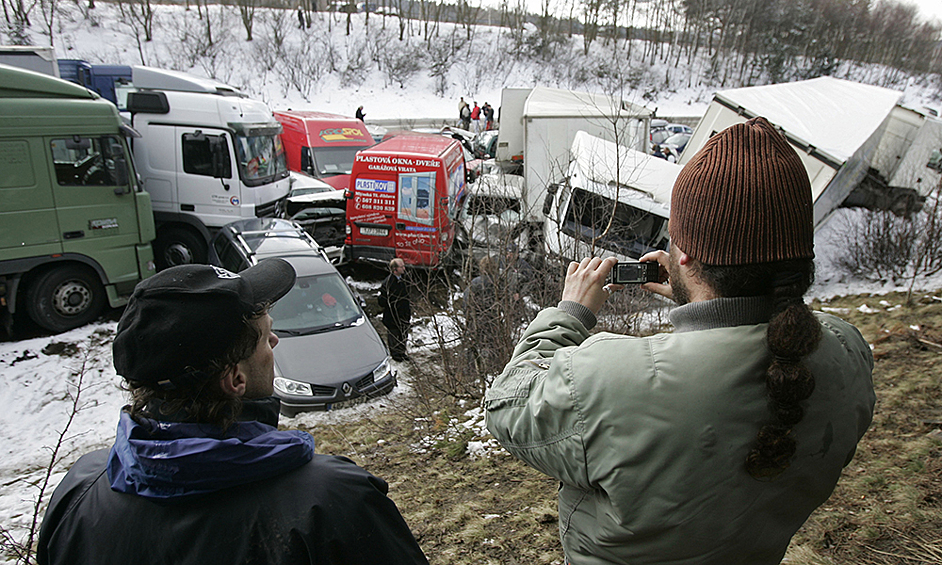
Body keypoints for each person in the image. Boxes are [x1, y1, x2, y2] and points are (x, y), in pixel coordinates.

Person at [485, 117, 875, 565]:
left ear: (683, 255)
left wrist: (570, 312)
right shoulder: (847, 351)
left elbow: (508, 404)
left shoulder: (608, 381)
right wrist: (701, 297)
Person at [37, 260, 429, 565]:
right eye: (264, 336)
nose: (274, 339)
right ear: (235, 379)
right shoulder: (333, 502)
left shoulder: (78, 493)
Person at [379, 258, 411, 361]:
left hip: (404, 313)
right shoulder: (388, 283)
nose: (404, 268)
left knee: (403, 334)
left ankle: (402, 352)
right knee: (394, 335)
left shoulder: (405, 279)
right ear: (395, 269)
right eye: (402, 267)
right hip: (392, 315)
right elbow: (382, 301)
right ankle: (396, 355)